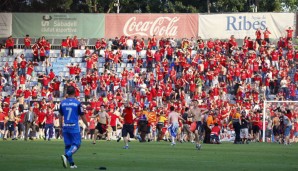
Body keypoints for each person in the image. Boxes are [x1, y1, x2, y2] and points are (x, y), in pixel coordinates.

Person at [59, 86, 88, 169]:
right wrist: (87, 125)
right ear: (75, 93)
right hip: (74, 127)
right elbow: (82, 115)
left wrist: (60, 127)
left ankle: (71, 164)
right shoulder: (77, 103)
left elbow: (60, 116)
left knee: (68, 145)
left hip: (65, 126)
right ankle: (66, 156)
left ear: (67, 93)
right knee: (77, 144)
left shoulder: (62, 103)